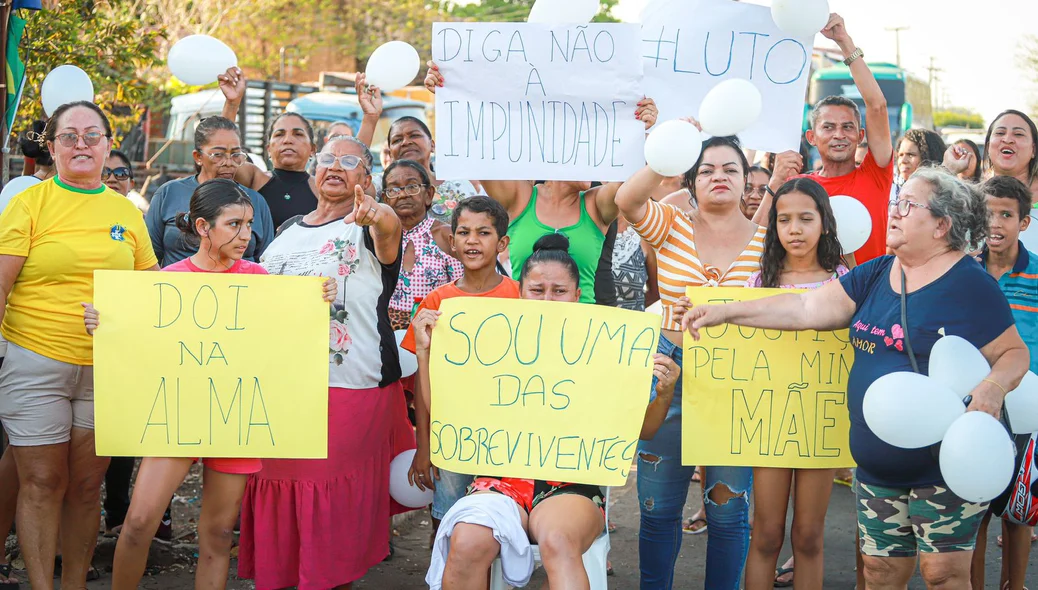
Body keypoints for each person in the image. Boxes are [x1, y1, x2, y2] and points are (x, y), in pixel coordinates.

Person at [682, 167, 1030, 589]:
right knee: (881, 572)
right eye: (895, 204)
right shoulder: (878, 272)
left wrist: (992, 389)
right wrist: (726, 310)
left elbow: (1014, 353)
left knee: (943, 574)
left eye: (908, 205)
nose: (894, 213)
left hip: (944, 466)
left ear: (942, 225)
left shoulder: (970, 284)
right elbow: (805, 310)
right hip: (878, 467)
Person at [86, 178, 338, 590]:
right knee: (136, 524)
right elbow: (141, 342)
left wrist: (316, 302)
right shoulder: (168, 279)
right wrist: (106, 323)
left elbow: (282, 340)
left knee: (219, 534)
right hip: (177, 417)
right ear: (203, 227)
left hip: (234, 420)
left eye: (249, 225)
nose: (246, 235)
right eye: (234, 224)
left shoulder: (260, 279)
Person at [414, 233, 681, 589]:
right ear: (520, 292)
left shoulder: (605, 347)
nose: (548, 300)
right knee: (467, 541)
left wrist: (664, 393)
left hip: (571, 482)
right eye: (538, 290)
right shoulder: (491, 343)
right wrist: (424, 352)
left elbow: (643, 430)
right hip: (500, 479)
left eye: (559, 291)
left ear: (577, 295)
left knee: (558, 541)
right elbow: (446, 412)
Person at [0, 101, 159, 589]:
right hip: (36, 360)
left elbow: (152, 291)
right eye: (69, 136)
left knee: (87, 487)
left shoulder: (127, 213)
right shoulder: (29, 204)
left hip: (107, 369)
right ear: (52, 146)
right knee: (44, 483)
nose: (82, 144)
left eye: (93, 135)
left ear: (110, 145)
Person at [237, 135, 403, 590]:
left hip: (349, 384)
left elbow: (388, 229)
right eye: (326, 159)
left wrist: (377, 213)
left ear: (366, 179)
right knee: (276, 487)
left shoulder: (369, 225)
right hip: (283, 387)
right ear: (312, 172)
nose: (335, 166)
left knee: (326, 498)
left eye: (349, 161)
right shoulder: (288, 228)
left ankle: (327, 581)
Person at [615, 131, 765, 590]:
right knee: (658, 511)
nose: (718, 177)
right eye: (706, 170)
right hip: (667, 373)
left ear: (746, 180)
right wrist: (671, 146)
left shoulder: (768, 238)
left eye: (730, 169)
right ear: (691, 180)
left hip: (735, 382)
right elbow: (627, 198)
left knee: (728, 513)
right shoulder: (671, 224)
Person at [423, 62, 660, 305]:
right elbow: (480, 147)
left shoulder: (597, 205)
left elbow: (633, 176)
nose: (594, 161)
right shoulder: (521, 199)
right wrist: (450, 91)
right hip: (526, 331)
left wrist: (637, 129)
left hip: (584, 334)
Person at [741, 178, 849, 590]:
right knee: (766, 534)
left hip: (819, 424)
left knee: (808, 535)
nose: (795, 229)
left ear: (824, 222)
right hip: (768, 422)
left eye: (806, 218)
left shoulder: (841, 279)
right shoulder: (759, 282)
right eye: (784, 220)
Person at [401, 195, 517, 542]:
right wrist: (424, 446)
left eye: (483, 233)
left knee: (496, 521)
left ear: (502, 243)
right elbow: (425, 380)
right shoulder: (437, 302)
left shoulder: (520, 298)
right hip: (451, 436)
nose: (472, 240)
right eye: (464, 232)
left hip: (505, 435)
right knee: (447, 519)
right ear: (452, 242)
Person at [753, 14, 894, 265]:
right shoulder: (797, 185)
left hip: (871, 296)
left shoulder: (876, 174)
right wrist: (776, 180)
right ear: (812, 137)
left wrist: (844, 42)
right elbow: (755, 242)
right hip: (812, 299)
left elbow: (877, 106)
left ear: (861, 136)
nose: (839, 134)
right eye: (828, 127)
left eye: (847, 127)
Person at [972, 175, 1037, 590]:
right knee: (973, 512)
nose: (995, 223)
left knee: (1019, 513)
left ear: (1025, 222)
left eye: (1006, 215)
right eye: (988, 213)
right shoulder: (963, 270)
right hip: (974, 406)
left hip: (1026, 409)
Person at [147, 117, 274, 267]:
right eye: (218, 155)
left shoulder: (255, 201)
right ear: (198, 157)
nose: (228, 162)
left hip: (239, 288)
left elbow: (267, 261)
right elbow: (148, 257)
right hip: (178, 288)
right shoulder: (169, 193)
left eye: (235, 154)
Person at [218, 68, 321, 228]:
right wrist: (232, 103)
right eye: (279, 134)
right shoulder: (254, 178)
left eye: (298, 134)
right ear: (268, 149)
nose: (287, 140)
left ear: (313, 149)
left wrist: (370, 117)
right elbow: (223, 157)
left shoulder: (322, 188)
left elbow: (355, 167)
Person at [383, 159, 464, 330]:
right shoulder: (378, 237)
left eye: (412, 187)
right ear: (385, 198)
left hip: (436, 334)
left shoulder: (446, 235)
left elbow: (462, 292)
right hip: (384, 338)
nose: (403, 194)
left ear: (428, 194)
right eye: (393, 189)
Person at [895, 129, 947, 196]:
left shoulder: (944, 196)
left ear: (929, 157)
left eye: (911, 155)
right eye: (900, 155)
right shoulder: (894, 193)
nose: (903, 161)